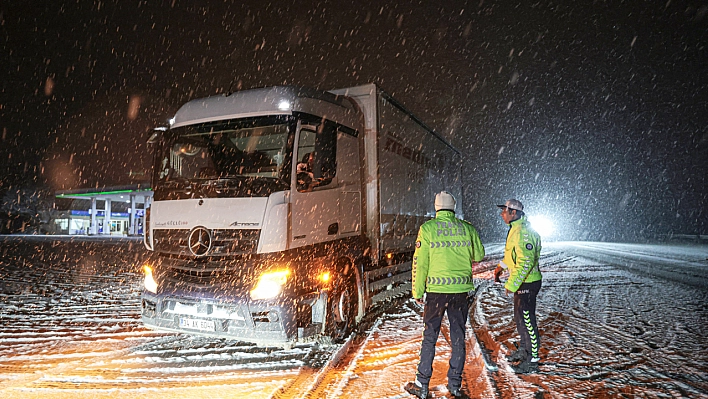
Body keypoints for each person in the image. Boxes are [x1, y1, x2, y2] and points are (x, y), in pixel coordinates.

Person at [404, 191, 485, 399]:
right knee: (458, 337)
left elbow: (420, 263)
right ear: (454, 207)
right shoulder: (467, 228)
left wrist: (417, 291)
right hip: (459, 293)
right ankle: (455, 385)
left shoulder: (428, 229)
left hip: (436, 294)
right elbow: (479, 255)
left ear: (436, 207)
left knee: (429, 337)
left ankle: (422, 384)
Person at [493, 199, 542, 374]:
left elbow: (526, 261)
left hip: (527, 283)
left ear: (513, 213)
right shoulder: (516, 230)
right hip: (523, 282)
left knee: (528, 322)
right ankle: (524, 349)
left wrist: (512, 284)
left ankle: (533, 359)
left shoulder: (523, 232)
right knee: (521, 320)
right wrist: (501, 267)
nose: (501, 214)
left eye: (504, 211)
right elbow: (511, 256)